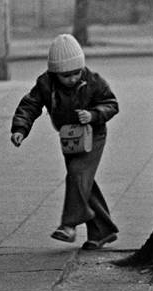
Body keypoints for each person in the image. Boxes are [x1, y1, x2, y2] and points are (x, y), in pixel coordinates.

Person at [10, 33, 120, 250]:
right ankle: (102, 231)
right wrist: (20, 129)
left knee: (77, 175)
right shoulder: (45, 83)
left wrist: (94, 114)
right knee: (83, 182)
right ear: (54, 73)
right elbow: (30, 105)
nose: (72, 79)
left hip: (92, 135)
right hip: (69, 138)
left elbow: (111, 103)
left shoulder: (93, 80)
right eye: (65, 75)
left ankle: (69, 226)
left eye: (76, 73)